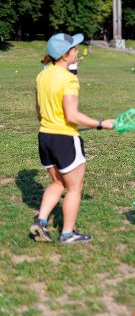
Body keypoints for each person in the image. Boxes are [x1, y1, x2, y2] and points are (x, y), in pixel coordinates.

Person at [31, 33, 115, 244]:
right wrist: (101, 123)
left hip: (45, 136)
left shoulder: (42, 76)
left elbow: (39, 112)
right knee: (74, 187)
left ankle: (41, 221)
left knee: (58, 182)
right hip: (64, 138)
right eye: (74, 48)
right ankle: (67, 234)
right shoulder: (69, 78)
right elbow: (72, 116)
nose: (77, 51)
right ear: (65, 54)